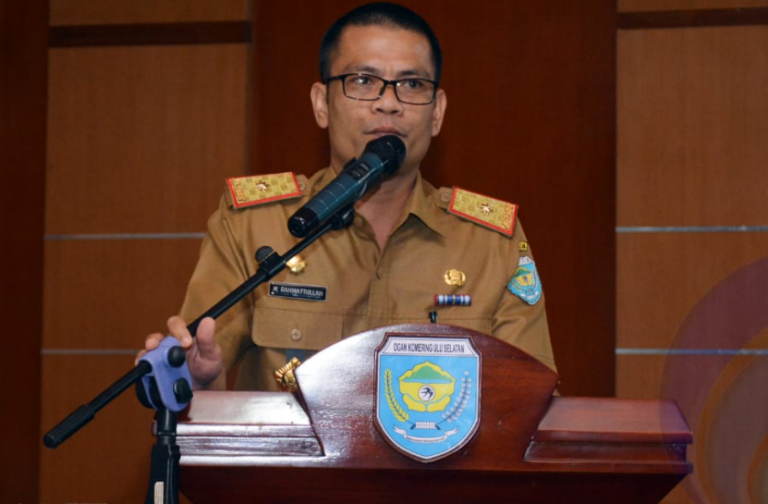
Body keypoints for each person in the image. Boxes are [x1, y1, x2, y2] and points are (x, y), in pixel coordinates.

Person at [141, 2, 556, 391]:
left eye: (412, 84)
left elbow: (532, 400)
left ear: (437, 112)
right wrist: (196, 378)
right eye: (363, 81)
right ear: (322, 104)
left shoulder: (490, 243)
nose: (388, 104)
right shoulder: (252, 226)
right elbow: (199, 371)